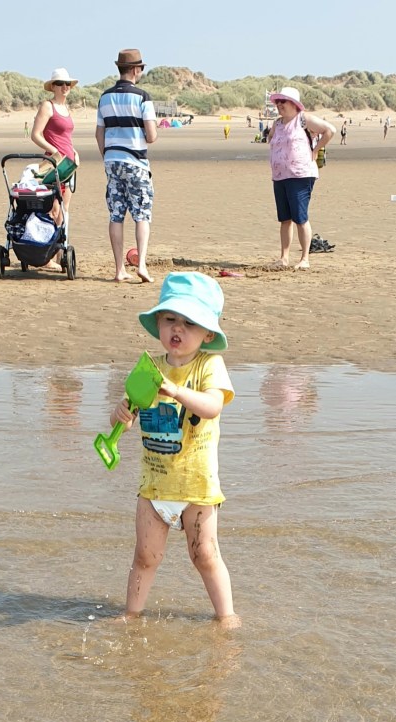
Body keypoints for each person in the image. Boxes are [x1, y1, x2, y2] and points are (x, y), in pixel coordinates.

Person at [110, 271, 240, 628]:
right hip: (154, 485)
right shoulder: (149, 369)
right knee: (145, 556)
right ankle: (131, 614)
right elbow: (128, 413)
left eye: (189, 322)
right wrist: (120, 415)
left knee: (205, 555)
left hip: (196, 485)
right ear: (158, 324)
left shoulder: (208, 365)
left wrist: (177, 391)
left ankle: (227, 616)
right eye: (170, 319)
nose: (177, 328)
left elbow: (213, 406)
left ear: (208, 334)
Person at [96, 48, 158, 283]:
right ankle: (141, 264)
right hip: (135, 161)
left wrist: (107, 155)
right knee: (142, 214)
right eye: (140, 68)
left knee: (116, 214)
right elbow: (151, 135)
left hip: (113, 160)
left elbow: (99, 133)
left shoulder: (105, 97)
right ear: (134, 69)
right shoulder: (142, 97)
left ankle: (119, 269)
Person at [267, 87, 336, 271]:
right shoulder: (277, 123)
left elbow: (330, 130)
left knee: (300, 217)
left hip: (300, 175)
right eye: (277, 102)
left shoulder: (304, 119)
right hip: (280, 176)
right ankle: (284, 258)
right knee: (285, 219)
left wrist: (315, 150)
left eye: (283, 101)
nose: (279, 105)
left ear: (293, 104)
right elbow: (271, 138)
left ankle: (305, 258)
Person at [31, 67, 80, 269]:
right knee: (53, 209)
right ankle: (46, 257)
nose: (65, 87)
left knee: (64, 210)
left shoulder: (66, 109)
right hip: (53, 164)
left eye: (67, 84)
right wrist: (54, 151)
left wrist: (74, 152)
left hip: (68, 165)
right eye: (60, 84)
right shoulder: (47, 106)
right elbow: (36, 134)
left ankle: (60, 253)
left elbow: (65, 137)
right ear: (53, 87)